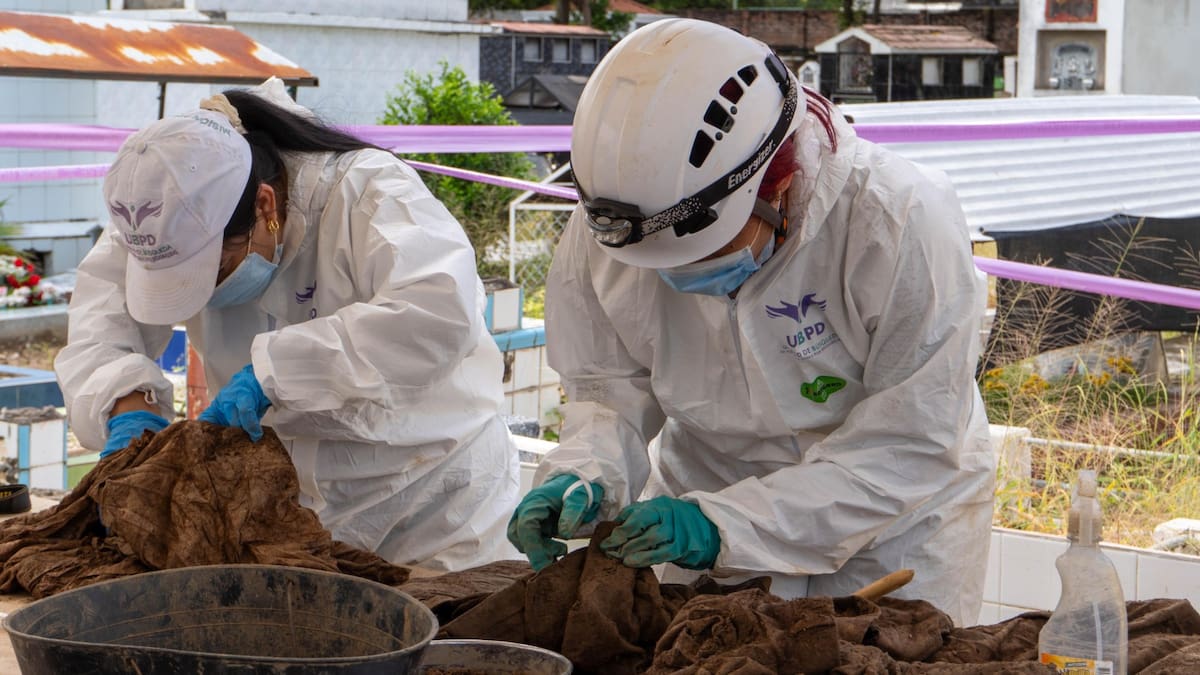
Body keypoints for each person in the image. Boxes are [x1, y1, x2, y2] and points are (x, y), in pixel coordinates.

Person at [507, 18, 994, 625]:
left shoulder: (897, 219)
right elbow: (608, 391)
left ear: (780, 182)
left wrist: (726, 524)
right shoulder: (619, 222)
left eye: (701, 250)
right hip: (706, 492)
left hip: (892, 522)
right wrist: (583, 474)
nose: (678, 275)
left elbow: (909, 440)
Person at [55, 78, 520, 571]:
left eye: (215, 269)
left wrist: (276, 374)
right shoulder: (158, 213)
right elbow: (99, 322)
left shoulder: (363, 191)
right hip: (286, 515)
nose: (205, 295)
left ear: (265, 207)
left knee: (439, 637)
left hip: (430, 505)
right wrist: (127, 406)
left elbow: (438, 312)